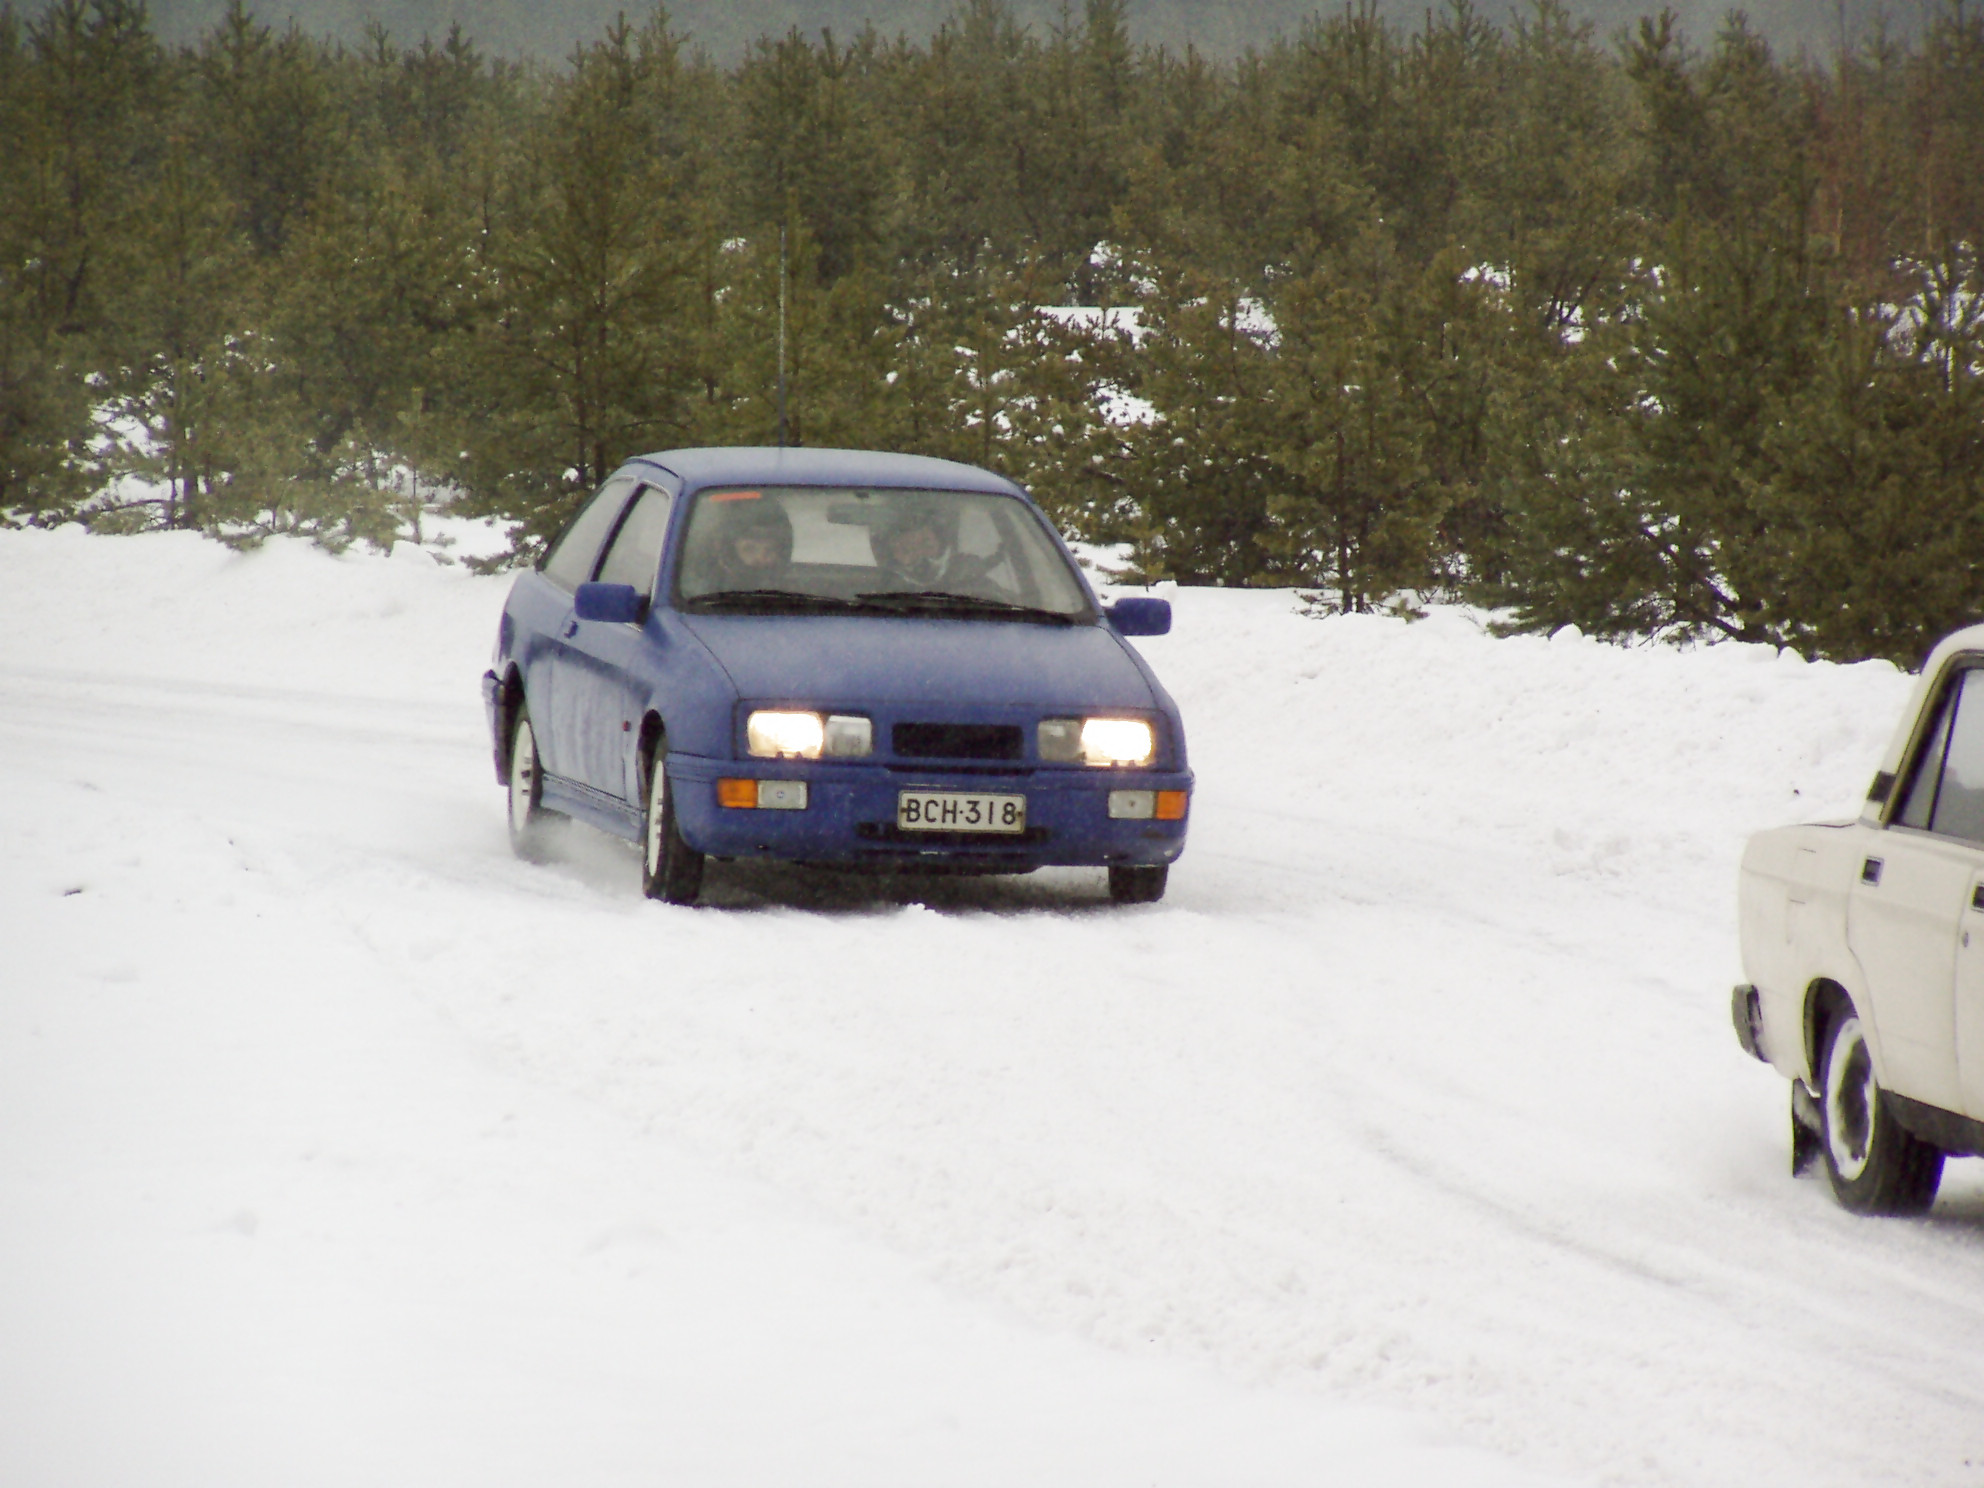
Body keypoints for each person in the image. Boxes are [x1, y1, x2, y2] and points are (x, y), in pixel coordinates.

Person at [701, 497, 793, 591]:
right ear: (729, 553)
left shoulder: (795, 596)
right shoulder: (703, 592)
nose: (760, 558)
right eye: (750, 549)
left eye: (769, 550)